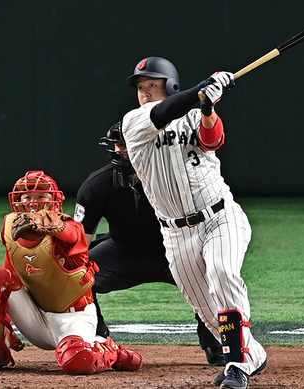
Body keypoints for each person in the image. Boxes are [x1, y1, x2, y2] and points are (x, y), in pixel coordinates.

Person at [120, 56, 268, 389]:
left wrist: (208, 106)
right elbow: (162, 112)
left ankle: (236, 365)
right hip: (175, 234)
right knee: (207, 310)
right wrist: (202, 90)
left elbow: (213, 140)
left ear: (170, 86)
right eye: (141, 87)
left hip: (219, 217)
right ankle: (250, 355)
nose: (144, 92)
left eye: (152, 85)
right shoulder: (133, 122)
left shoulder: (193, 113)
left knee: (222, 274)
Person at [0, 170, 143, 375]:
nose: (33, 203)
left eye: (41, 197)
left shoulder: (71, 227)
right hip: (35, 315)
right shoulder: (11, 227)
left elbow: (72, 234)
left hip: (74, 318)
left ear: (53, 201)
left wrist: (57, 227)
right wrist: (3, 323)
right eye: (27, 197)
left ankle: (109, 350)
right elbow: (10, 278)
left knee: (77, 362)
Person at [74, 121, 225, 366]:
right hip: (123, 251)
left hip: (174, 250)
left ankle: (216, 343)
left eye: (133, 143)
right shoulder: (97, 185)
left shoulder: (177, 178)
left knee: (214, 274)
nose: (127, 151)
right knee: (76, 275)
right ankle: (98, 340)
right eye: (121, 145)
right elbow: (78, 243)